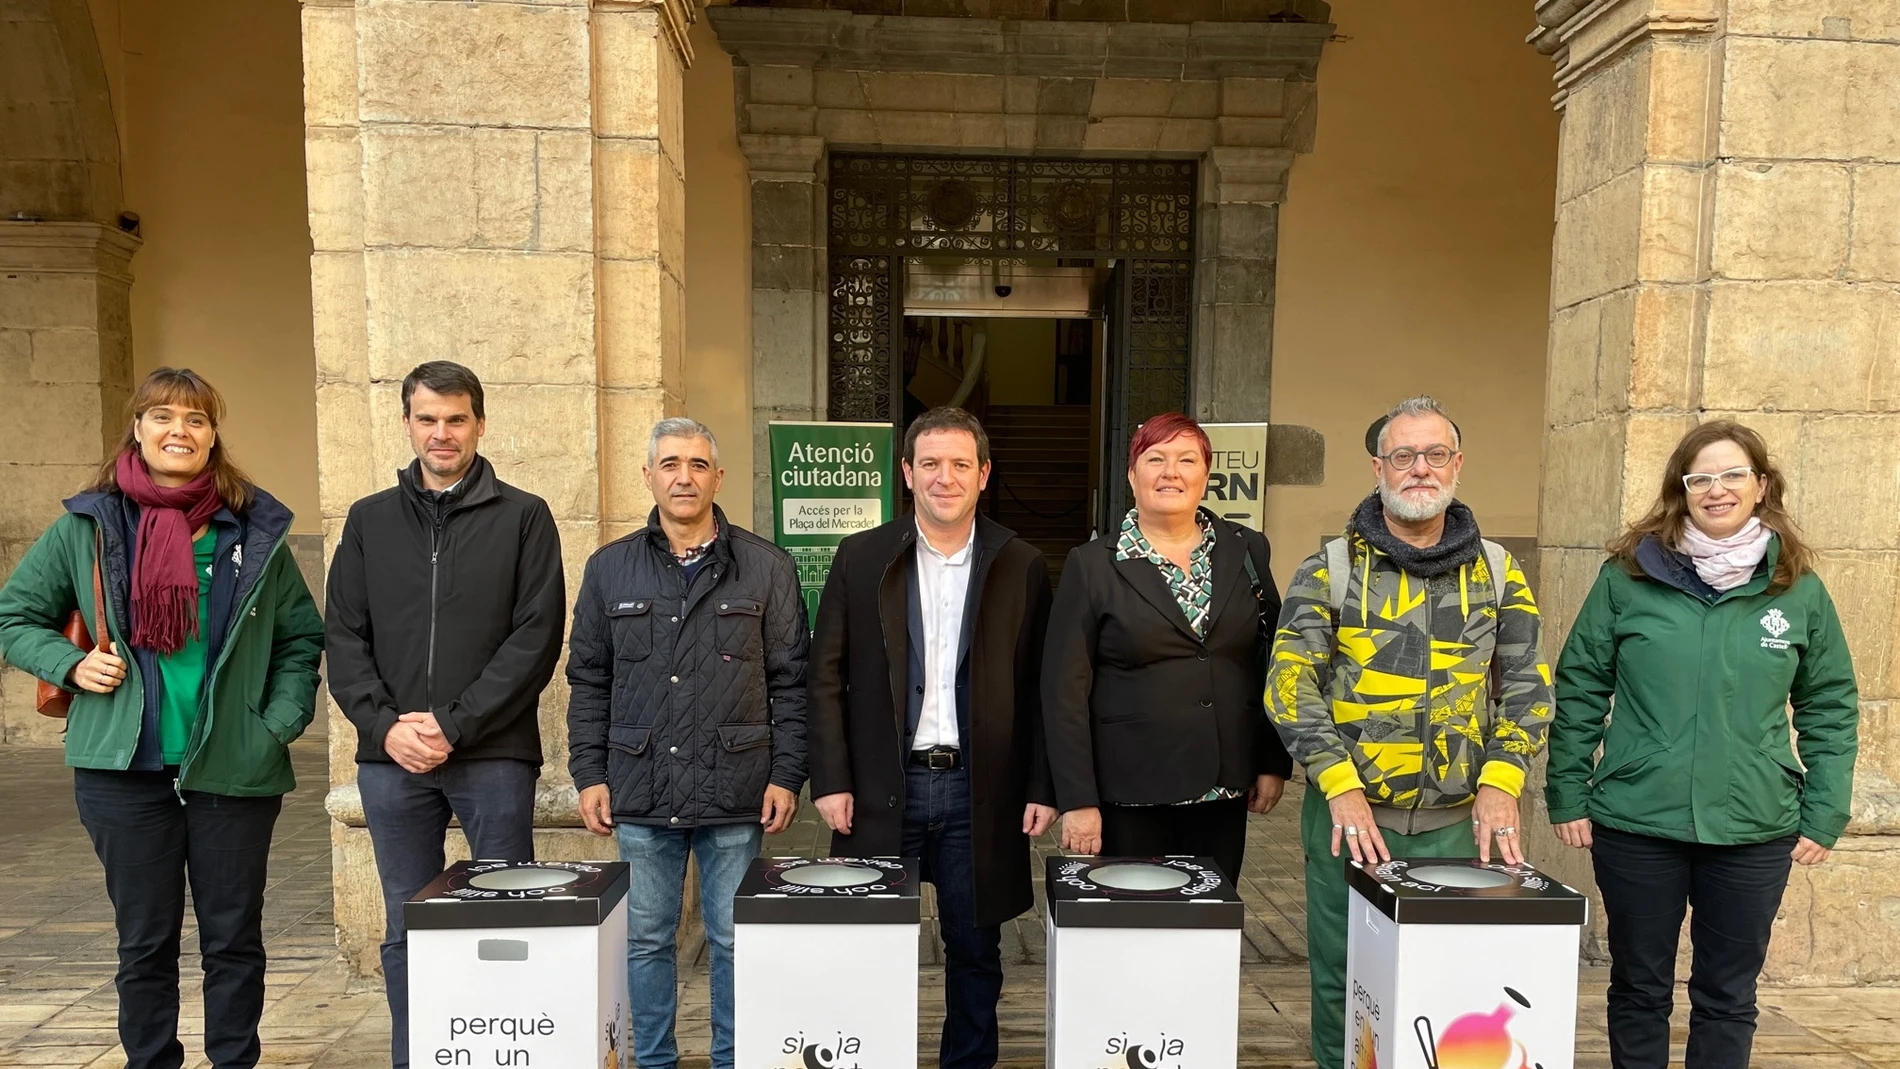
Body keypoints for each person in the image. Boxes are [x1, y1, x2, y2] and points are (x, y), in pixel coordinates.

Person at [0, 368, 323, 1069]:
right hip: (123, 773)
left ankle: (233, 1060)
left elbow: (302, 637)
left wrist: (276, 721)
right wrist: (70, 664)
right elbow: (15, 615)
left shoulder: (255, 530)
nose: (180, 429)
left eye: (197, 418)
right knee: (143, 941)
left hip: (235, 766)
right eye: (163, 416)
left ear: (213, 436)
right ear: (138, 430)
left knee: (234, 937)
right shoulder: (88, 526)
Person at [1547, 420, 1858, 1069]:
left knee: (1727, 994)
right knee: (1639, 987)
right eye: (1701, 478)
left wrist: (1825, 807)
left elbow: (1830, 703)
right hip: (1638, 819)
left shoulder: (1797, 588)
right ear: (1681, 489)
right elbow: (1580, 682)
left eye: (1732, 474)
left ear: (1761, 485)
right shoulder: (1627, 576)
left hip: (1754, 826)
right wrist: (1568, 789)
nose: (1717, 489)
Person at [1265, 395, 1553, 1069]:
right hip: (1351, 823)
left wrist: (1503, 780)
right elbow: (1288, 687)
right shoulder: (1330, 569)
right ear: (1378, 467)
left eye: (1434, 453)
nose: (1419, 468)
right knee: (1346, 983)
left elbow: (1527, 687)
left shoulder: (1500, 572)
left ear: (1456, 463)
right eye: (1403, 455)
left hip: (1462, 823)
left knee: (1452, 982)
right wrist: (1337, 783)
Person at [323, 360, 566, 1069]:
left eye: (455, 418)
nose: (441, 432)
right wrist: (386, 725)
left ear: (479, 424)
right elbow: (344, 635)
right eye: (427, 418)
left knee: (502, 915)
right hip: (392, 758)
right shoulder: (369, 520)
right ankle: (419, 1054)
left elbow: (535, 635)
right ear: (407, 423)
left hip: (492, 755)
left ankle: (503, 1053)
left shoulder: (524, 515)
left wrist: (455, 723)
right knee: (408, 922)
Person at [807, 407, 1056, 1069]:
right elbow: (825, 673)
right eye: (931, 464)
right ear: (908, 474)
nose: (945, 477)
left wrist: (1041, 784)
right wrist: (829, 777)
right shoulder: (861, 558)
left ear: (984, 475)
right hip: (883, 785)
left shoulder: (1021, 563)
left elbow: (1040, 686)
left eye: (960, 464)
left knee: (976, 951)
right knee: (868, 943)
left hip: (983, 791)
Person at [567, 417, 808, 1069]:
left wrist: (787, 775)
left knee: (734, 939)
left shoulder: (767, 567)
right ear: (648, 475)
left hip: (737, 790)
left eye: (698, 464)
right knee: (646, 939)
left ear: (718, 477)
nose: (683, 475)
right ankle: (655, 1060)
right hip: (640, 790)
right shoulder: (608, 569)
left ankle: (734, 1059)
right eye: (669, 462)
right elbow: (588, 678)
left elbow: (792, 681)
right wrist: (589, 772)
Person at [1042, 411, 1292, 884]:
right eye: (1155, 458)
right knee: (1132, 928)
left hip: (1223, 784)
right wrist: (1077, 798)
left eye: (1186, 459)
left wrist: (1271, 760)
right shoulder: (1093, 565)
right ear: (1132, 475)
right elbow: (1063, 691)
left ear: (1206, 473)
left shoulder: (1247, 551)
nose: (1170, 472)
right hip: (1129, 790)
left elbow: (1271, 661)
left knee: (1208, 928)